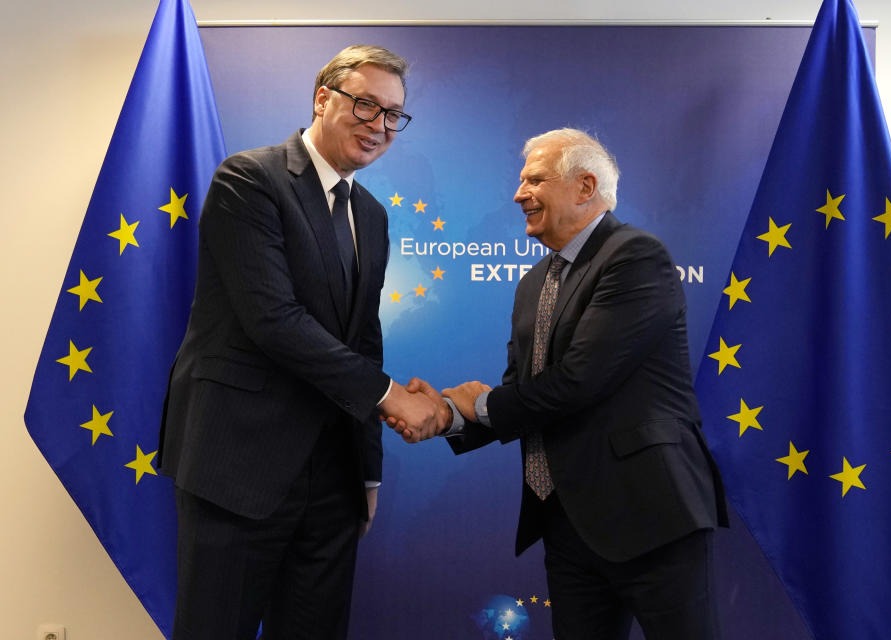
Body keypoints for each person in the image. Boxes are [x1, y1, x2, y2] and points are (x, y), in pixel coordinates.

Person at [157, 45, 447, 640]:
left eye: (394, 115)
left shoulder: (371, 213)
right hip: (239, 466)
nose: (380, 126)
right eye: (366, 105)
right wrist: (392, 398)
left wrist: (367, 474)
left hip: (333, 481)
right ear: (323, 98)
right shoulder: (250, 178)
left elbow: (363, 339)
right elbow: (274, 321)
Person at [398, 128, 728, 640]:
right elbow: (524, 390)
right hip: (567, 522)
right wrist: (448, 416)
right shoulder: (534, 282)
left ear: (584, 186)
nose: (517, 194)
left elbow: (578, 381)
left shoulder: (634, 256)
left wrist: (473, 405)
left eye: (534, 180)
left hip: (651, 516)